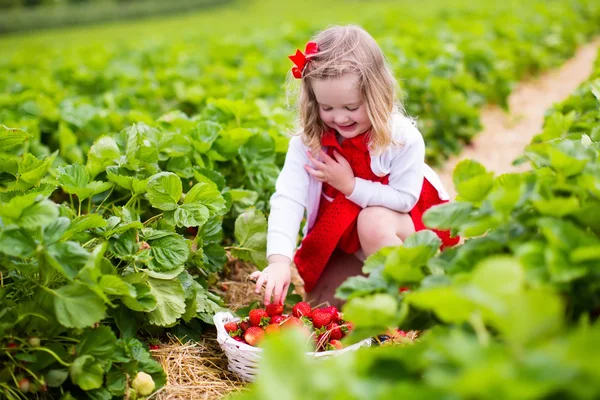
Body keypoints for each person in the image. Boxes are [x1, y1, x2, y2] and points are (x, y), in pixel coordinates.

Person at [250, 25, 459, 308]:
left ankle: (410, 297)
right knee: (322, 308)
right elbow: (288, 200)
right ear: (313, 101)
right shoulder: (309, 145)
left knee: (372, 221)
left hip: (404, 235)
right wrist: (278, 261)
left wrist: (350, 186)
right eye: (327, 108)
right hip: (346, 242)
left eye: (351, 107)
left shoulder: (400, 138)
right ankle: (374, 295)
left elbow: (405, 199)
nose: (340, 118)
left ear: (376, 95)